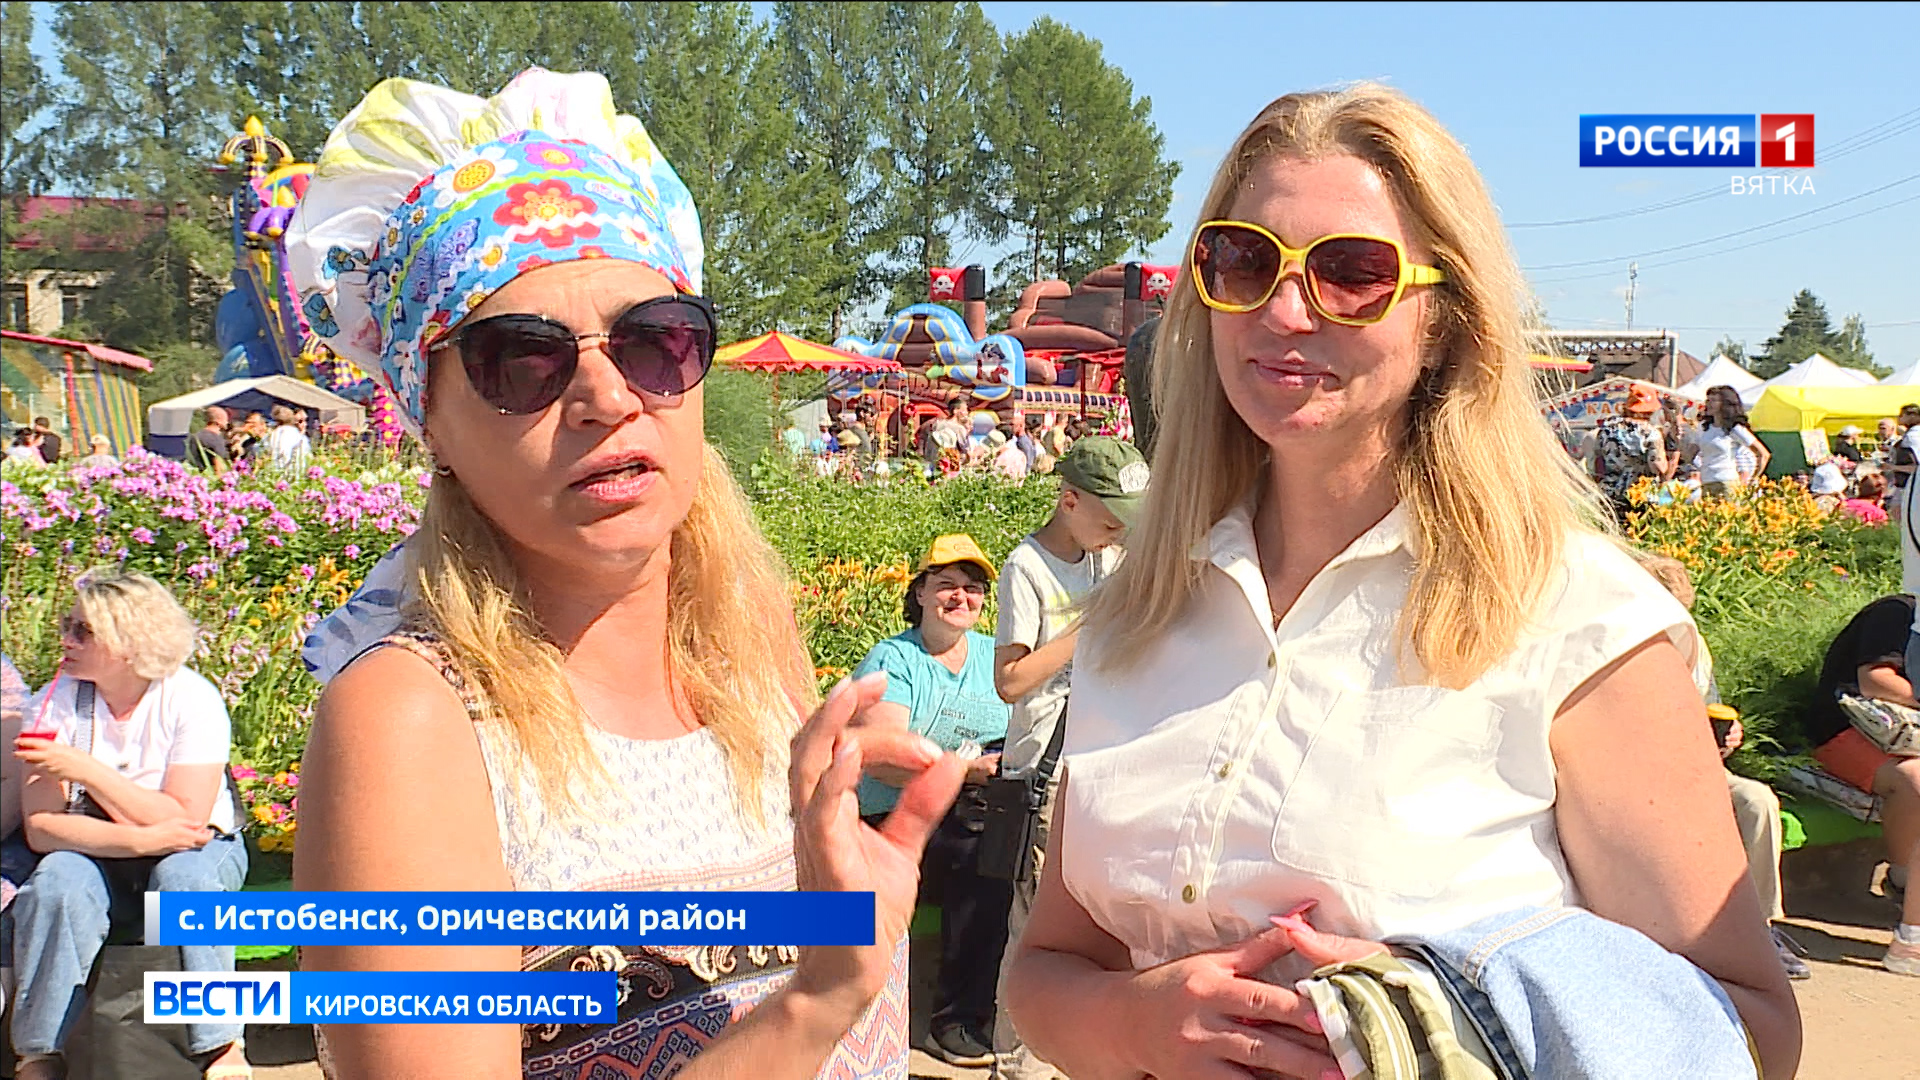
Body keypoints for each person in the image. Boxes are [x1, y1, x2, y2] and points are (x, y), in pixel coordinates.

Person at [1003, 83, 1799, 1080]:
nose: (1284, 311)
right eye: (1244, 261)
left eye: (1351, 274)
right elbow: (1049, 968)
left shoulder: (1575, 619)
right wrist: (1136, 1025)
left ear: (1449, 319)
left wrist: (1447, 1021)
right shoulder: (1141, 611)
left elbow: (1752, 1031)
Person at [285, 67, 961, 1076]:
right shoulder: (408, 724)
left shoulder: (748, 642)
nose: (607, 395)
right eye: (521, 360)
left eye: (653, 341)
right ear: (430, 420)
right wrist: (817, 1001)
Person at [10, 569, 249, 1080]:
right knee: (57, 883)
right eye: (66, 625)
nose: (66, 640)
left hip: (198, 847)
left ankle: (221, 1041)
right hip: (101, 847)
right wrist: (141, 838)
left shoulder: (192, 700)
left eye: (83, 631)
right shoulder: (54, 704)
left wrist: (85, 771)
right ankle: (39, 1050)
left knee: (185, 880)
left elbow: (186, 821)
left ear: (130, 642)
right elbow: (43, 830)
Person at [988, 435, 1141, 1080]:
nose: (1118, 533)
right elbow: (1010, 681)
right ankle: (1017, 1064)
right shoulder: (1027, 567)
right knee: (1038, 927)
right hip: (1045, 767)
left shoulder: (1106, 557)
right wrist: (1087, 629)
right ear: (1069, 501)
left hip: (1097, 759)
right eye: (1110, 521)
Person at [849, 535, 1011, 1067]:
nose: (961, 597)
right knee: (979, 858)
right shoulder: (895, 659)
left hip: (978, 805)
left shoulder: (993, 655)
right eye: (946, 585)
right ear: (919, 592)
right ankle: (955, 1020)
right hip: (892, 815)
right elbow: (881, 757)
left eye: (973, 588)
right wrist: (962, 769)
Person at [1638, 554, 1809, 981]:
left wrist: (1728, 738)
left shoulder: (1694, 649)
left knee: (1756, 801)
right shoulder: (1621, 650)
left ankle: (1761, 928)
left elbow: (1709, 710)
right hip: (1640, 772)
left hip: (1697, 767)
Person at [1807, 593, 1920, 976]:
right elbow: (1874, 681)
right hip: (1847, 730)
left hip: (1906, 735)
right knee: (1913, 780)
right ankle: (1904, 882)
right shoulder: (1897, 613)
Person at [1586, 385, 1668, 522]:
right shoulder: (1651, 433)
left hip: (1610, 494)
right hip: (1639, 494)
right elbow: (1657, 466)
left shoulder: (1607, 428)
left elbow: (1598, 461)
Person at [1690, 385, 1770, 498]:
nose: (1709, 404)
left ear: (1725, 404)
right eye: (1708, 400)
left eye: (1713, 400)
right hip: (1706, 481)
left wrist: (1753, 478)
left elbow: (1763, 454)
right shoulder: (1704, 428)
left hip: (1726, 482)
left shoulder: (1734, 429)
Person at [186, 406, 232, 474]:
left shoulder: (195, 436)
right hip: (211, 476)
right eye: (226, 420)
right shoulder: (215, 439)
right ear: (219, 421)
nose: (227, 422)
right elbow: (219, 465)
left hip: (197, 475)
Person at [265, 404, 312, 471]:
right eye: (300, 421)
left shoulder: (274, 433)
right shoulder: (290, 434)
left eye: (306, 420)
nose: (305, 425)